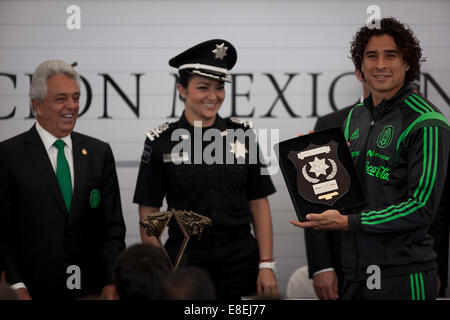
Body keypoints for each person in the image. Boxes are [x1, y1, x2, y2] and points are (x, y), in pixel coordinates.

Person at [291, 17, 450, 300]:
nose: (380, 65)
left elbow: (421, 207)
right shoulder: (355, 117)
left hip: (403, 273)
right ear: (360, 66)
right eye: (371, 56)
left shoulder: (427, 122)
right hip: (354, 271)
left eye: (391, 55)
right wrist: (312, 169)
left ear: (407, 63)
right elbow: (345, 193)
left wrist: (348, 222)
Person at [133, 39, 278, 299]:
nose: (213, 97)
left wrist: (266, 264)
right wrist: (163, 268)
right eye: (203, 88)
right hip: (186, 260)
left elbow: (258, 203)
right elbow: (148, 212)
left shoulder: (243, 135)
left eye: (219, 88)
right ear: (182, 90)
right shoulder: (160, 142)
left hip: (241, 260)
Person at [0, 60, 126, 300]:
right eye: (61, 99)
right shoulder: (8, 156)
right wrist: (16, 286)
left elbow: (113, 228)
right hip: (33, 291)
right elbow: (3, 234)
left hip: (91, 290)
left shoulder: (99, 153)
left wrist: (112, 281)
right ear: (37, 105)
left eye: (76, 97)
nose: (72, 106)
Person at [304, 69, 370, 300]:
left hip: (402, 257)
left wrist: (438, 267)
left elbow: (437, 203)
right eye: (372, 58)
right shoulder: (331, 123)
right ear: (360, 72)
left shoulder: (420, 124)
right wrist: (321, 266)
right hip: (341, 253)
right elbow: (313, 198)